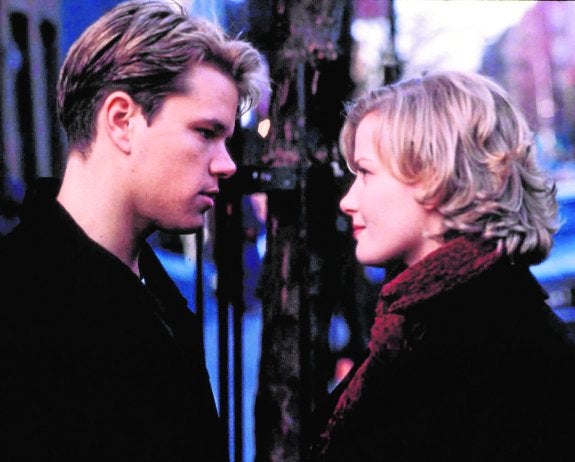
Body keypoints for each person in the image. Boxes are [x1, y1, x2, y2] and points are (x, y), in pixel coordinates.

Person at [0, 1, 268, 460]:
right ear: (122, 121)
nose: (227, 164)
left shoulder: (159, 296)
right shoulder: (22, 304)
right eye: (206, 132)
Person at [306, 71, 575, 461]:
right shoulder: (416, 321)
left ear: (437, 177)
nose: (348, 201)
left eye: (366, 173)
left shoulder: (503, 354)